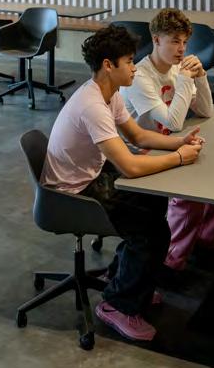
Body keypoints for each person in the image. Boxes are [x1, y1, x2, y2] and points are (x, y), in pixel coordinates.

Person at [40, 25, 204, 341]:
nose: (134, 67)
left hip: (89, 176)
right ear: (108, 65)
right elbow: (129, 166)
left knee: (154, 200)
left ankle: (124, 279)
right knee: (153, 232)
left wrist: (179, 142)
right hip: (72, 194)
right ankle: (117, 305)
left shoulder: (109, 92)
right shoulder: (92, 105)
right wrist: (180, 158)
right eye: (128, 61)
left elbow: (139, 136)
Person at [120, 8, 214, 272]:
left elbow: (206, 110)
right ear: (156, 40)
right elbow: (173, 123)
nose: (182, 49)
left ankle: (201, 241)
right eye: (175, 41)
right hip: (140, 152)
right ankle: (171, 262)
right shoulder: (140, 77)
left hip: (166, 143)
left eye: (185, 42)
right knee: (191, 196)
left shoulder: (178, 69)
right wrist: (184, 80)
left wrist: (201, 77)